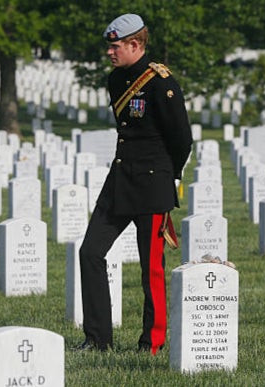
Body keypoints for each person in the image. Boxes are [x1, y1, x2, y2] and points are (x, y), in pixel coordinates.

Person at [77, 13, 193, 354]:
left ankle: (152, 343)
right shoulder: (115, 81)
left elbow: (181, 139)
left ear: (135, 44)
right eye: (109, 47)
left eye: (115, 47)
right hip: (121, 179)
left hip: (152, 184)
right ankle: (98, 339)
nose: (110, 53)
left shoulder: (161, 82)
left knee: (151, 270)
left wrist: (166, 177)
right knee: (90, 252)